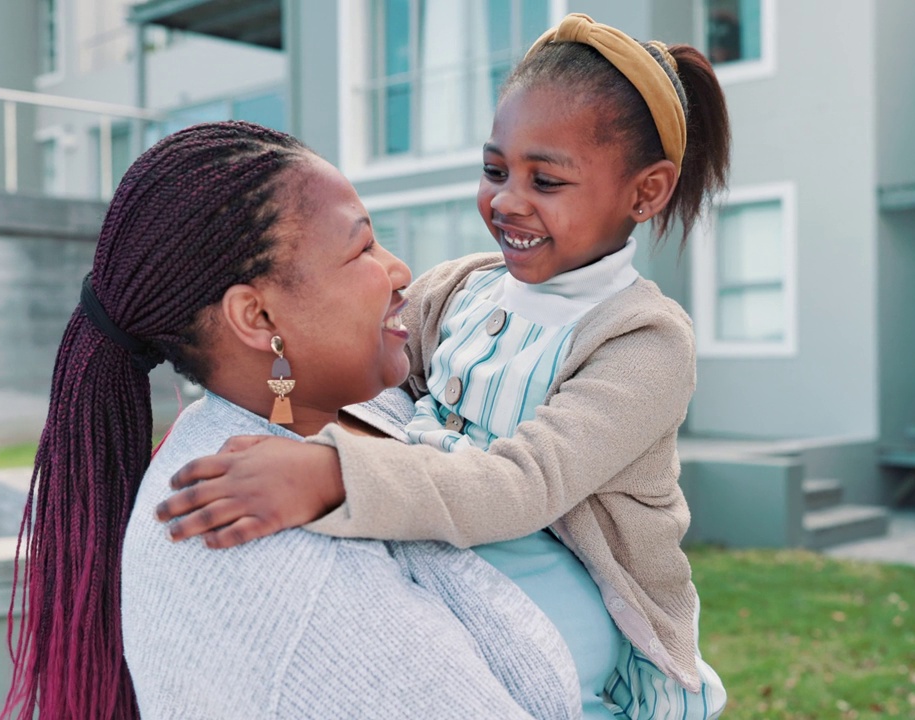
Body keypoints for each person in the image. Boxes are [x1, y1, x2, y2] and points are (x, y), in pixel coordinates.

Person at [157, 14, 732, 719]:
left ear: (645, 193)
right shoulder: (466, 287)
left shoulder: (642, 341)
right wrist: (236, 406)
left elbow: (524, 486)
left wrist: (331, 477)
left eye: (545, 180)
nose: (507, 200)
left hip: (581, 616)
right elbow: (371, 367)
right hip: (460, 551)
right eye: (495, 170)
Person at [0, 122, 583, 719]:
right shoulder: (275, 559)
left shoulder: (346, 409)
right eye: (362, 250)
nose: (400, 271)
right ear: (257, 315)